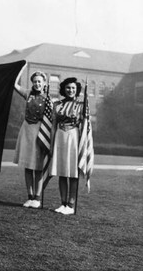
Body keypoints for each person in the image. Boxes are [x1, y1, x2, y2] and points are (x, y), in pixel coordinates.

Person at [13, 69, 48, 209]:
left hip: (39, 132)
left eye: (39, 81)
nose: (37, 84)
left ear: (44, 83)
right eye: (35, 81)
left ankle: (37, 198)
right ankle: (30, 196)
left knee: (38, 167)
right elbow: (14, 85)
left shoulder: (49, 98)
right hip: (27, 131)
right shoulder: (28, 93)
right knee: (28, 166)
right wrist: (19, 69)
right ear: (32, 83)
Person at [50, 77, 83, 215]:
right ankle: (63, 203)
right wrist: (51, 144)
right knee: (62, 171)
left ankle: (71, 204)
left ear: (77, 90)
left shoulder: (81, 105)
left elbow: (85, 126)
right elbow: (53, 126)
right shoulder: (57, 104)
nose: (70, 90)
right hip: (60, 136)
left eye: (73, 88)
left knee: (73, 173)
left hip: (74, 136)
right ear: (64, 89)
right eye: (68, 88)